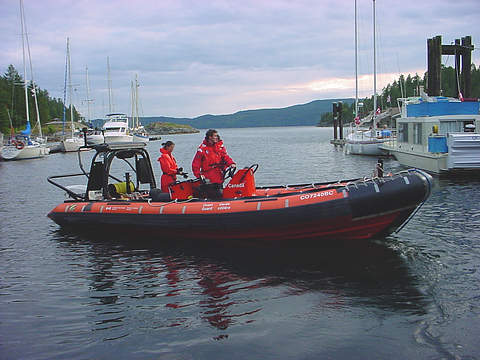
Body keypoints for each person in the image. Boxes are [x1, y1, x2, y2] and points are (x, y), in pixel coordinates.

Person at [192, 129, 236, 197]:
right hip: (209, 177)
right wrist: (199, 175)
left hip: (219, 175)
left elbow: (225, 156)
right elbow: (196, 164)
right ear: (210, 137)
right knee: (215, 194)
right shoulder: (202, 149)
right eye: (215, 136)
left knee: (220, 191)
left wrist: (231, 163)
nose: (217, 137)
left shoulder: (219, 147)